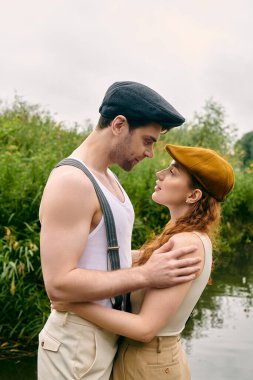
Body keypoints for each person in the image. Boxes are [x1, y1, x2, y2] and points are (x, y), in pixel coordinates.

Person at [37, 82, 201, 380]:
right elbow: (58, 284)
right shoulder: (72, 181)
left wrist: (150, 257)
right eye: (147, 141)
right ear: (119, 125)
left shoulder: (109, 178)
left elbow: (101, 253)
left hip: (105, 338)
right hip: (74, 344)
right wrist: (146, 275)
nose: (150, 153)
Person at [53, 144, 235, 380]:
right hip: (150, 360)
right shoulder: (184, 235)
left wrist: (72, 303)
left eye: (172, 172)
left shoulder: (185, 245)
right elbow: (133, 258)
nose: (160, 174)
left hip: (148, 365)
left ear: (193, 195)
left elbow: (145, 328)